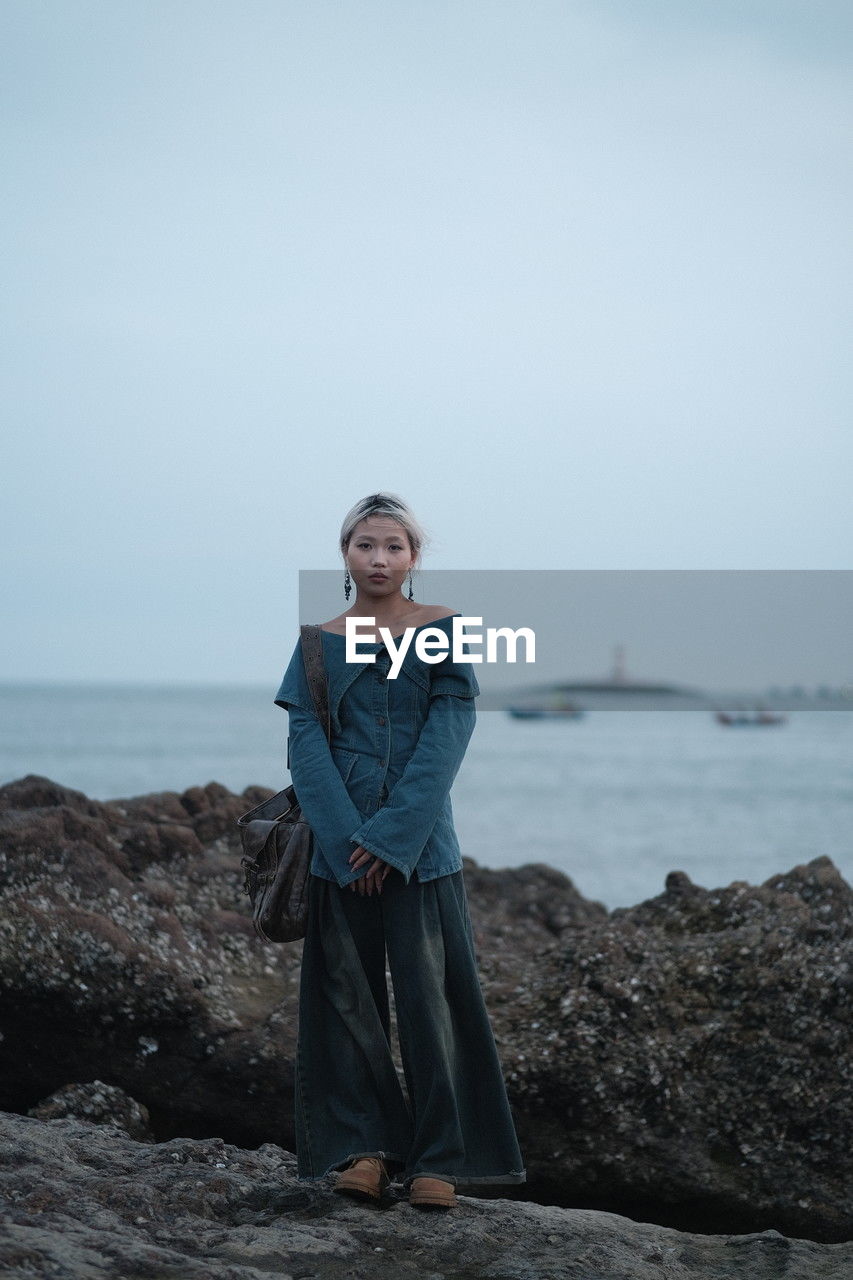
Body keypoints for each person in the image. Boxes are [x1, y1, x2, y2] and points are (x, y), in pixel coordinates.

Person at [273, 491, 526, 1211]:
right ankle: (363, 1153)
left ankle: (438, 1160)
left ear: (413, 557)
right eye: (364, 545)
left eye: (393, 546)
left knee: (432, 1004)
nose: (378, 558)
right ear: (345, 554)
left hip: (422, 851)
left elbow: (449, 734)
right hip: (336, 852)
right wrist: (346, 840)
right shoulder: (315, 642)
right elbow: (305, 743)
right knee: (345, 1003)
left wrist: (390, 838)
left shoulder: (441, 629)